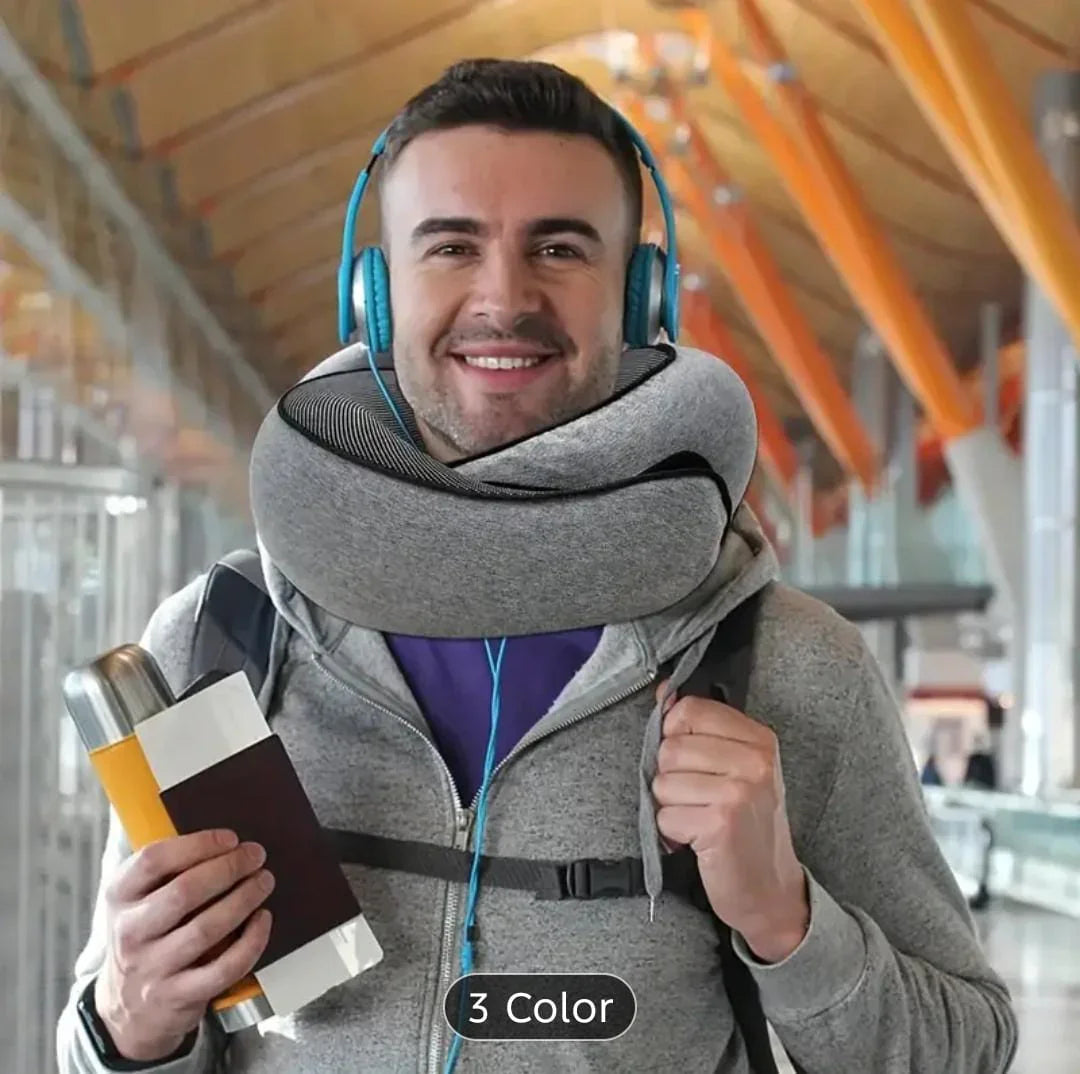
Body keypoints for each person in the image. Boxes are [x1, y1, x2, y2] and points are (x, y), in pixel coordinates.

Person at [58, 58, 1017, 1074]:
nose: (503, 297)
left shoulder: (784, 665)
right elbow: (98, 1049)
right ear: (372, 297)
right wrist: (127, 1020)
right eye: (452, 247)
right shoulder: (223, 646)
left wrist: (788, 921)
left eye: (559, 247)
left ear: (642, 294)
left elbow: (967, 1048)